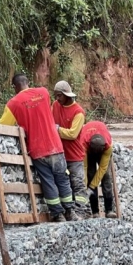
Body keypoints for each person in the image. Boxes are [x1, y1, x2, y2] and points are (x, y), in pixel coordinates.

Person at [0, 74, 78, 222]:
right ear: (28, 82)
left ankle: (58, 214)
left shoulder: (13, 103)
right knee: (62, 179)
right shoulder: (44, 93)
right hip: (56, 146)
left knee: (48, 181)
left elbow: (2, 126)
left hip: (38, 149)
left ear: (15, 87)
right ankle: (70, 211)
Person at [51, 80, 89, 214]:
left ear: (67, 95)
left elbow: (73, 134)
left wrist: (57, 130)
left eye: (59, 95)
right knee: (63, 183)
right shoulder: (55, 105)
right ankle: (70, 210)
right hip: (60, 153)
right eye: (55, 95)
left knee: (77, 183)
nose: (57, 98)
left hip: (74, 155)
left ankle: (82, 210)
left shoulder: (78, 112)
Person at [80, 121, 117, 218]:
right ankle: (95, 211)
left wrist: (92, 187)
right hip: (89, 150)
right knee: (90, 174)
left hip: (102, 151)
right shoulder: (83, 143)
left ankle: (109, 210)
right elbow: (84, 167)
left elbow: (102, 169)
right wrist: (85, 186)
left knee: (106, 177)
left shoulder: (108, 146)